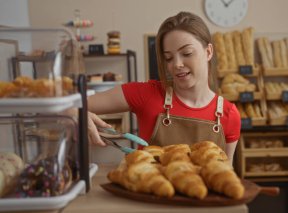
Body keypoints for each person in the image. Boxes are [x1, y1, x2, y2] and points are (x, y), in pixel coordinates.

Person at [87, 11, 241, 162]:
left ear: (208, 52)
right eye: (168, 58)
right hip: (147, 188)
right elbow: (71, 106)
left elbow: (225, 176)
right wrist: (78, 115)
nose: (177, 64)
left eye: (187, 53)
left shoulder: (229, 114)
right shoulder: (147, 94)